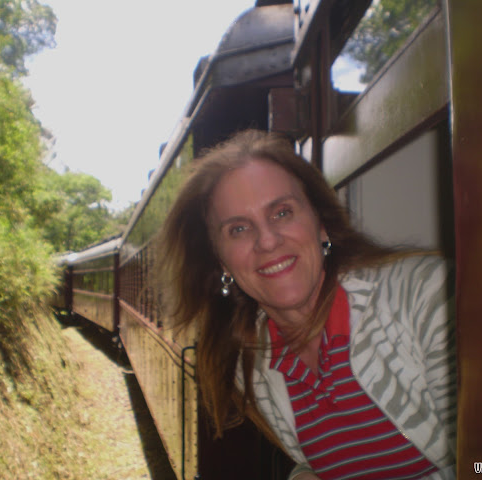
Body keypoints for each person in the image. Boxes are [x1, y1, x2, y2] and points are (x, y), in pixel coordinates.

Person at [156, 129, 456, 480]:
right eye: (238, 229)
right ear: (221, 261)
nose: (267, 240)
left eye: (282, 212)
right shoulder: (252, 367)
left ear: (322, 224)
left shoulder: (426, 296)